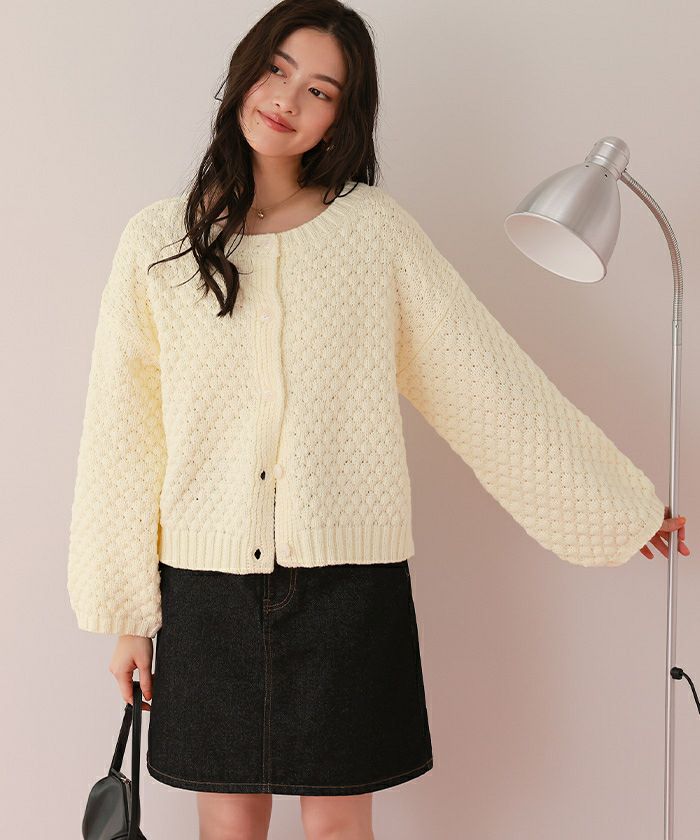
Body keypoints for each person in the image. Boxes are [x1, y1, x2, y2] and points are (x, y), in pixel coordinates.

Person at [67, 2, 691, 838]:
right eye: (278, 69)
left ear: (340, 118)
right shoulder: (157, 241)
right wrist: (127, 619)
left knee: (337, 828)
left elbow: (480, 377)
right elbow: (122, 436)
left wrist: (616, 506)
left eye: (320, 90)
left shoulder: (374, 233)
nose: (288, 99)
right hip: (205, 591)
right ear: (245, 70)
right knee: (228, 827)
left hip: (347, 588)